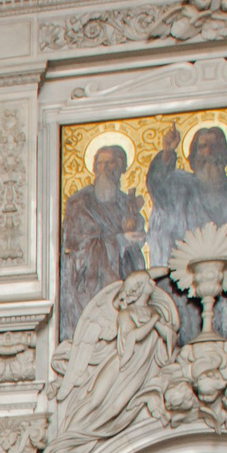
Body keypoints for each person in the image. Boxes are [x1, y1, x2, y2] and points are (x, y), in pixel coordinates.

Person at [143, 124, 227, 337]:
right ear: (192, 155)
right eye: (202, 147)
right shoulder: (179, 184)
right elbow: (157, 186)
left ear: (224, 154)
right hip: (185, 273)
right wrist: (167, 152)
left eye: (215, 146)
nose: (209, 153)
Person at [59, 138, 146, 343]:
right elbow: (79, 246)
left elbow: (139, 244)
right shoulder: (80, 202)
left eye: (111, 163)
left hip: (125, 283)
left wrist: (135, 232)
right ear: (94, 168)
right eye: (101, 163)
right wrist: (119, 241)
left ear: (122, 168)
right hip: (90, 287)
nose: (105, 169)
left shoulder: (127, 203)